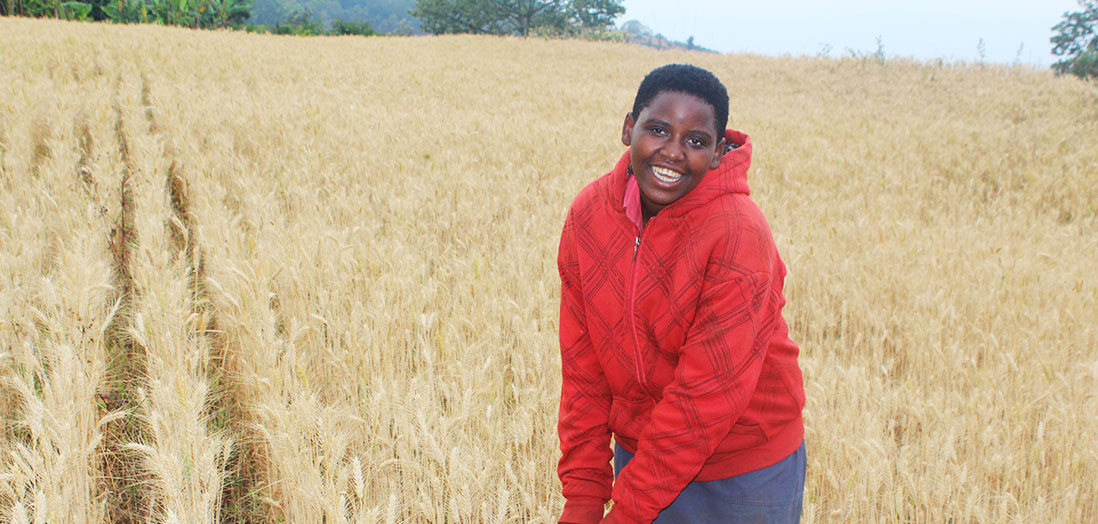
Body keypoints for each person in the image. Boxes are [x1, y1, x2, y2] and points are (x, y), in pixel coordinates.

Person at [556, 63, 806, 524]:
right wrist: (584, 498)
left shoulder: (737, 232)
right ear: (628, 128)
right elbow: (582, 369)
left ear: (717, 153)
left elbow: (705, 397)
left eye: (695, 141)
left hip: (744, 471)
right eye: (658, 130)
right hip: (642, 451)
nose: (672, 152)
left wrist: (626, 512)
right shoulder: (589, 215)